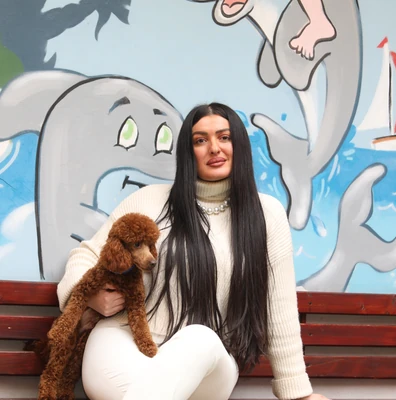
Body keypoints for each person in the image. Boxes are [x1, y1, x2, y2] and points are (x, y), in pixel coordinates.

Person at [57, 102, 330, 400]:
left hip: (207, 364)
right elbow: (84, 256)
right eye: (200, 140)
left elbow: (280, 307)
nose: (214, 148)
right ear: (189, 153)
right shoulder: (149, 201)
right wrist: (90, 295)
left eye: (224, 137)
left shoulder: (267, 214)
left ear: (239, 145)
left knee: (200, 338)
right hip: (124, 344)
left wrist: (299, 394)